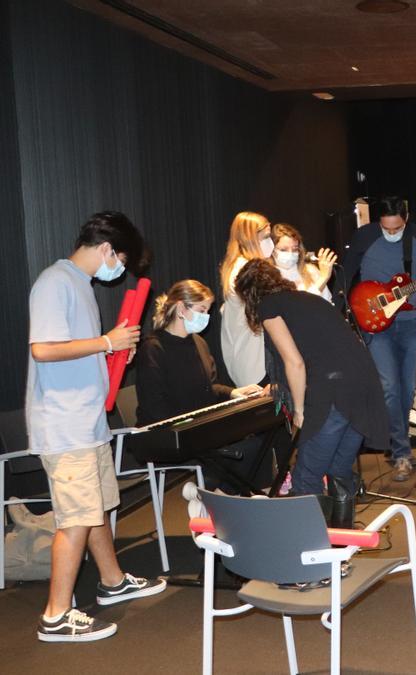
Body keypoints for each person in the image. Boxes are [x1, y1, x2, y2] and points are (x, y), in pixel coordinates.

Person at [27, 211, 165, 642]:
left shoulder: (80, 286)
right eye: (121, 260)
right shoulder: (55, 282)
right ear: (107, 249)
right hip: (65, 426)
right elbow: (44, 350)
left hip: (87, 421)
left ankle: (112, 581)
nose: (119, 270)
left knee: (98, 506)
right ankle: (56, 615)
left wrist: (111, 348)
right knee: (75, 519)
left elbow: (76, 352)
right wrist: (108, 342)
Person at [235, 259, 389, 497]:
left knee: (306, 477)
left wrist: (299, 411)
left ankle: (313, 535)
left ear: (250, 295)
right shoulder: (311, 300)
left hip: (333, 391)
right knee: (338, 469)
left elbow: (294, 362)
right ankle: (341, 532)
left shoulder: (269, 306)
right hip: (364, 387)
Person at [134, 280, 271, 492]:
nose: (206, 316)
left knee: (255, 442)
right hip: (166, 433)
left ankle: (215, 496)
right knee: (239, 449)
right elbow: (155, 407)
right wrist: (198, 422)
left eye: (207, 310)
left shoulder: (198, 342)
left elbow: (208, 388)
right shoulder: (153, 348)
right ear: (181, 309)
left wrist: (233, 393)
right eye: (202, 309)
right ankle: (212, 495)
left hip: (197, 427)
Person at [341, 197, 416, 481]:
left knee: (408, 388)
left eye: (397, 227)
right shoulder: (364, 237)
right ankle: (401, 453)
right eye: (386, 227)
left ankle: (394, 443)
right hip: (376, 322)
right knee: (389, 387)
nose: (391, 232)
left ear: (406, 219)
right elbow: (345, 277)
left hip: (409, 321)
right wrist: (352, 312)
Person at [219, 211, 272, 387]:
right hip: (255, 361)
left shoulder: (239, 266)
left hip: (251, 357)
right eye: (265, 237)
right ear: (250, 238)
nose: (270, 243)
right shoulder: (246, 271)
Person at [270, 222, 337, 303]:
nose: (290, 254)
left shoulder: (310, 270)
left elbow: (327, 303)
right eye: (283, 250)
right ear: (272, 250)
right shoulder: (267, 276)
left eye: (294, 249)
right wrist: (323, 278)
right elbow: (297, 305)